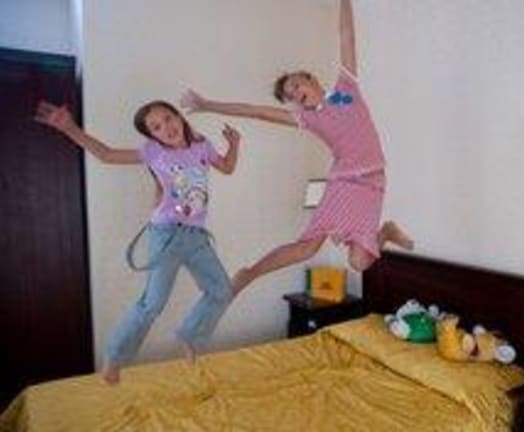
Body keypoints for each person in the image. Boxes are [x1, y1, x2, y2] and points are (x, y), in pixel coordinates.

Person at [181, 0, 413, 295]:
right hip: (344, 181)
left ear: (311, 79)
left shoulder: (347, 88)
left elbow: (346, 36)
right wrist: (207, 105)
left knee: (358, 263)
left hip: (374, 181)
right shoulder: (308, 119)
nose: (294, 94)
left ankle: (386, 231)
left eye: (295, 85)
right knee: (306, 249)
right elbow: (256, 111)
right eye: (290, 96)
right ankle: (249, 274)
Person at [35, 100, 240, 384]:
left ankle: (191, 336)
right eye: (156, 127)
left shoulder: (201, 145)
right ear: (152, 136)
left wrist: (234, 144)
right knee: (152, 304)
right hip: (166, 234)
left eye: (168, 118)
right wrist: (70, 128)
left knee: (221, 291)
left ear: (179, 116)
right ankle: (115, 357)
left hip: (196, 236)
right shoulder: (153, 152)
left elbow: (227, 167)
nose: (166, 127)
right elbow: (106, 154)